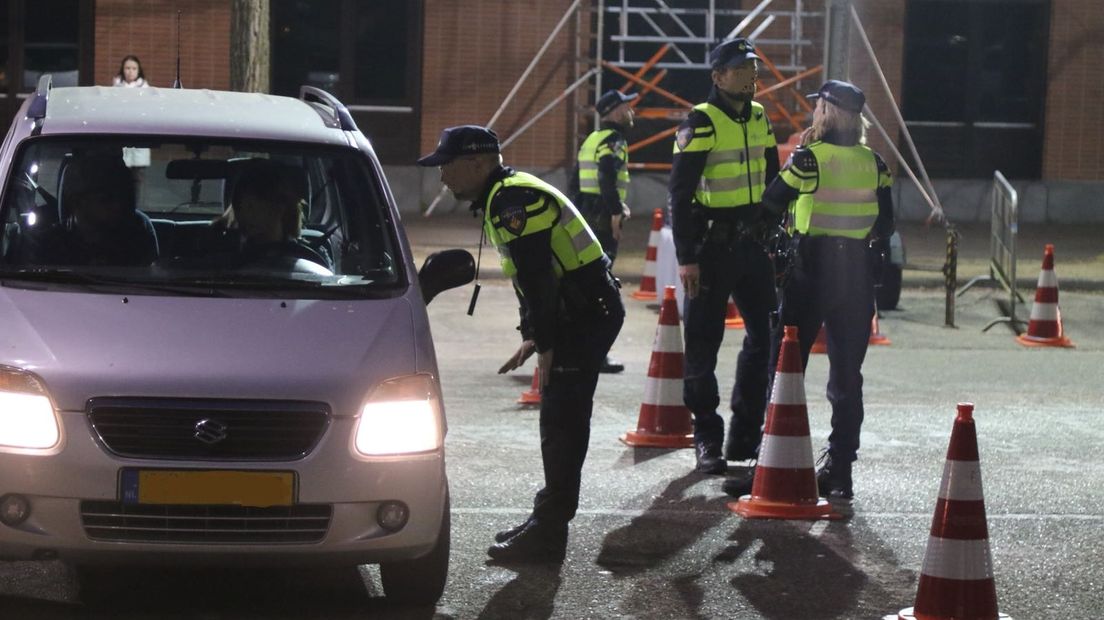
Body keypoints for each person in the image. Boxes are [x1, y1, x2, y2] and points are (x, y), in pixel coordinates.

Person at [417, 125, 624, 563]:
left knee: (562, 425)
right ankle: (545, 520)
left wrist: (545, 339)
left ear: (477, 162)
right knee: (558, 422)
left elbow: (537, 279)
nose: (442, 177)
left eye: (446, 166)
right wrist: (534, 334)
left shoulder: (513, 200)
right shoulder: (504, 195)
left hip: (584, 315)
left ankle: (549, 535)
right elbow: (535, 280)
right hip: (581, 311)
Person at [726, 80, 895, 499]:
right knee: (846, 377)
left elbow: (768, 209)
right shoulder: (875, 163)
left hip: (811, 271)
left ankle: (771, 465)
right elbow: (886, 225)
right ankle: (840, 471)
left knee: (785, 371)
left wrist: (770, 244)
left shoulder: (808, 159)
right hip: (856, 274)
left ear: (825, 112)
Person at [668, 38, 779, 476]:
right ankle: (707, 437)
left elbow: (773, 179)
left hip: (753, 247)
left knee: (765, 336)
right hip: (712, 250)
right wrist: (687, 257)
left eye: (753, 67)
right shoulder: (702, 121)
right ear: (717, 76)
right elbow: (678, 194)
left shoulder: (759, 116)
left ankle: (745, 433)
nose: (751, 74)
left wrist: (775, 230)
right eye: (740, 68)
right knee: (703, 343)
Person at [568, 88, 637, 374]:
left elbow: (574, 182)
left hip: (585, 213)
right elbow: (606, 176)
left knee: (585, 281)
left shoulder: (591, 140)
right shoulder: (614, 140)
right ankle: (596, 351)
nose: (631, 111)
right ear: (615, 112)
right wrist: (614, 213)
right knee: (602, 284)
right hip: (600, 216)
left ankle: (579, 345)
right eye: (626, 107)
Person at [19, 149, 159, 267]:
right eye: (105, 199)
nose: (117, 206)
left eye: (121, 198)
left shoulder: (136, 235)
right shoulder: (48, 244)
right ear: (77, 201)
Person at [227, 160, 332, 274]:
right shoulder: (227, 257)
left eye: (252, 207)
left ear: (279, 206)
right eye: (240, 207)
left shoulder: (314, 255)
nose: (246, 215)